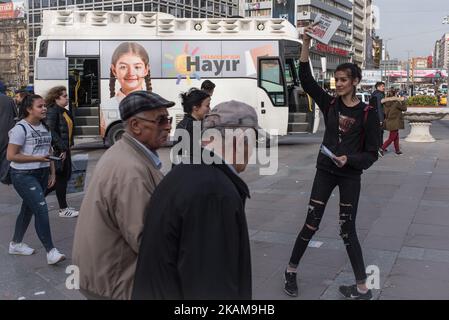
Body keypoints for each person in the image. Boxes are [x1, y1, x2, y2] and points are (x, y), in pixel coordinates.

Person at [283, 23, 380, 300]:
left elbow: (372, 154)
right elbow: (305, 79)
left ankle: (362, 287)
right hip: (325, 171)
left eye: (343, 80)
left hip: (350, 176)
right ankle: (291, 271)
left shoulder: (367, 113)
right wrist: (305, 44)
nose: (337, 84)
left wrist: (350, 159)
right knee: (311, 223)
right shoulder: (329, 104)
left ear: (355, 82)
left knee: (347, 229)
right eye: (336, 79)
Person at [132, 100, 257, 300]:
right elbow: (211, 286)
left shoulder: (185, 172)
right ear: (241, 140)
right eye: (254, 141)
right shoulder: (214, 193)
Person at [72, 90, 175, 300]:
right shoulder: (131, 170)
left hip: (104, 275)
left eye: (168, 118)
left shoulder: (126, 152)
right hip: (115, 281)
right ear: (135, 125)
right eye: (161, 120)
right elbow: (146, 239)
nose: (168, 125)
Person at [6, 94, 66, 265]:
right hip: (23, 176)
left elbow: (49, 153)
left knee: (28, 209)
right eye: (40, 106)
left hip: (41, 173)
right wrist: (38, 159)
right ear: (28, 109)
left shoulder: (44, 127)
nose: (44, 109)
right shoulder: (20, 128)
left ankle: (16, 244)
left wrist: (52, 173)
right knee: (40, 208)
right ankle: (51, 251)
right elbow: (12, 155)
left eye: (45, 105)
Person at [43, 86, 78, 218]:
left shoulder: (64, 111)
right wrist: (62, 148)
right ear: (56, 98)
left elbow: (67, 130)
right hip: (59, 151)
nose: (67, 98)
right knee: (60, 179)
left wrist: (69, 145)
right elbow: (50, 131)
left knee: (61, 178)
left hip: (65, 149)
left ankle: (36, 202)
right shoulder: (52, 111)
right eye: (64, 96)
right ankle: (63, 209)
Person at [172, 88, 211, 163]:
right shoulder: (190, 126)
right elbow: (198, 156)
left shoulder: (193, 124)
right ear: (195, 107)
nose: (209, 109)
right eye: (207, 106)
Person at [380, 89, 407, 155]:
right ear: (395, 95)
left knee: (396, 136)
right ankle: (381, 149)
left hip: (389, 121)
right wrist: (403, 100)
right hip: (395, 122)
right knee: (391, 138)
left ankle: (397, 150)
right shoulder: (396, 103)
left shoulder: (385, 103)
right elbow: (404, 108)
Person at [0, 84, 18, 183]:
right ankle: (3, 177)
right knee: (4, 156)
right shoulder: (9, 100)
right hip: (6, 132)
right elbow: (16, 116)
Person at [370, 81, 385, 155]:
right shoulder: (379, 95)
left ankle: (378, 148)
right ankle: (379, 149)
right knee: (380, 133)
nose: (384, 88)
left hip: (373, 116)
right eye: (382, 86)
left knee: (377, 134)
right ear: (378, 87)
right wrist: (381, 119)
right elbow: (379, 108)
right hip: (378, 117)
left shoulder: (374, 94)